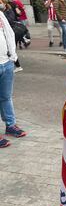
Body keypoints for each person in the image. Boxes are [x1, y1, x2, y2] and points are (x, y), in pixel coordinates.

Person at [0, 9, 26, 148]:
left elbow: (9, 34)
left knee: (6, 97)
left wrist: (12, 57)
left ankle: (10, 126)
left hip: (6, 62)